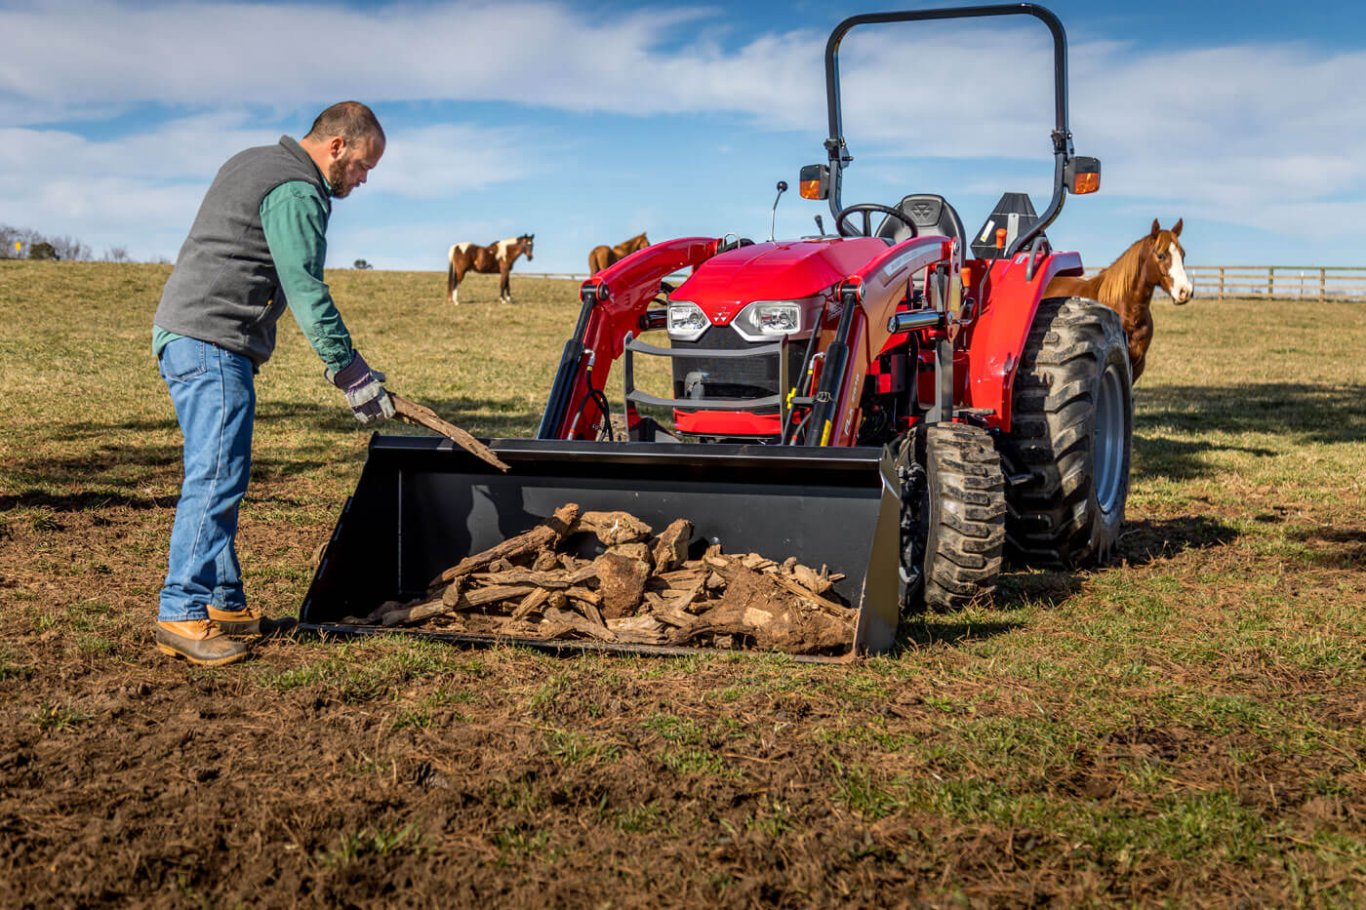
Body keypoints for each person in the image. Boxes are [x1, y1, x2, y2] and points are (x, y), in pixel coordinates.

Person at [151, 101, 392, 666]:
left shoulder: (252, 160)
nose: (361, 179)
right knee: (216, 474)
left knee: (219, 469)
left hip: (186, 334)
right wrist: (349, 369)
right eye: (362, 165)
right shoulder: (297, 189)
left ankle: (222, 600)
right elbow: (305, 288)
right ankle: (182, 611)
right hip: (213, 341)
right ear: (337, 145)